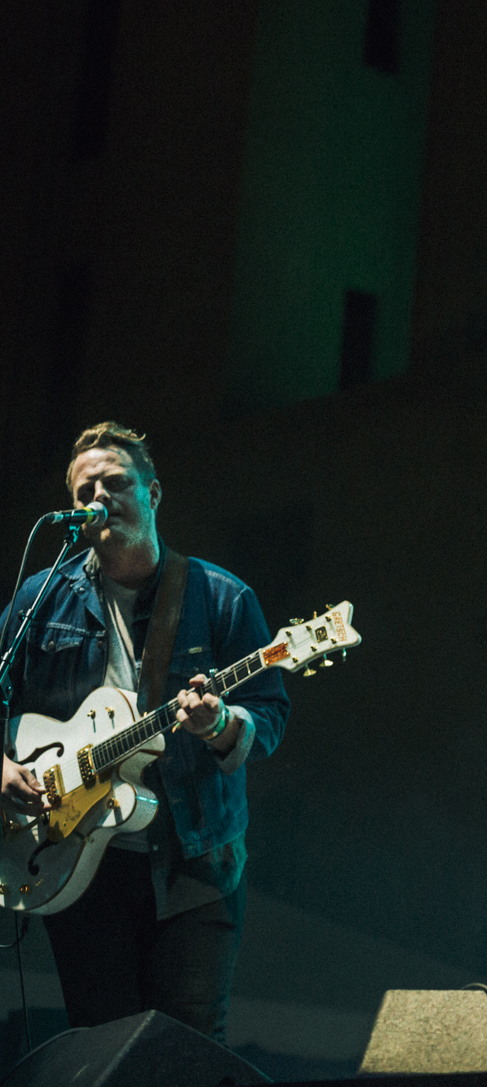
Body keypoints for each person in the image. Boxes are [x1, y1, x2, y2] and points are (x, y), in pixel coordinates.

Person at [0, 423, 290, 1040]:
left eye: (115, 483)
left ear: (153, 494)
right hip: (73, 861)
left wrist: (220, 725)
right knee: (103, 1047)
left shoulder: (221, 597)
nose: (99, 499)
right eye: (85, 492)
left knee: (185, 1048)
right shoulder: (40, 599)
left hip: (193, 867)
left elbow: (268, 713)